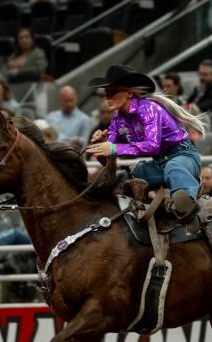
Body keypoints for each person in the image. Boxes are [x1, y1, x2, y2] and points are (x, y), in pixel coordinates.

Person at [86, 65, 205, 226]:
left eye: (113, 91)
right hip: (159, 164)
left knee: (174, 168)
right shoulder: (117, 118)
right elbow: (109, 158)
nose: (108, 97)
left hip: (183, 155)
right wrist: (100, 147)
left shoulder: (148, 108)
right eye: (106, 92)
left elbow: (152, 146)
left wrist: (113, 148)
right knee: (125, 182)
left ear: (129, 93)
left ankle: (188, 210)